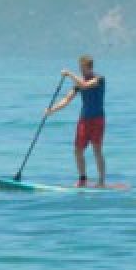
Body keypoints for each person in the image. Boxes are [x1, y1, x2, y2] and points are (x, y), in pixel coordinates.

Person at [46, 54, 106, 187]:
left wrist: (68, 74)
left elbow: (85, 85)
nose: (81, 71)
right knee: (77, 150)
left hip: (97, 119)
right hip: (84, 120)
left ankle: (101, 181)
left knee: (97, 150)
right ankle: (82, 179)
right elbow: (66, 100)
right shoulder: (79, 83)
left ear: (89, 68)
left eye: (82, 68)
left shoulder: (99, 79)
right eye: (80, 68)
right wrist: (51, 110)